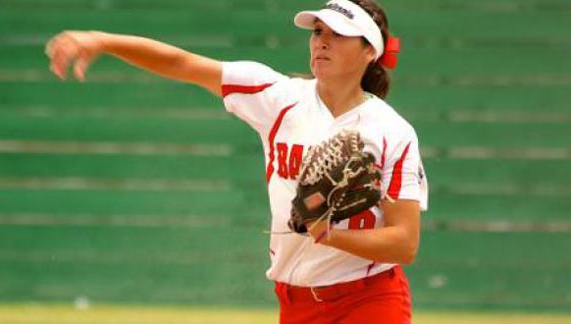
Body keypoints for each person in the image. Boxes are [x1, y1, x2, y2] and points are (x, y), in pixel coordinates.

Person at [45, 0, 428, 323]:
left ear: (369, 52)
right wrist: (103, 41)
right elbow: (182, 63)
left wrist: (330, 234)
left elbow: (405, 243)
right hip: (294, 301)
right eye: (317, 33)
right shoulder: (277, 96)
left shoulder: (391, 131)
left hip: (370, 300)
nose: (322, 43)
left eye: (338, 34)